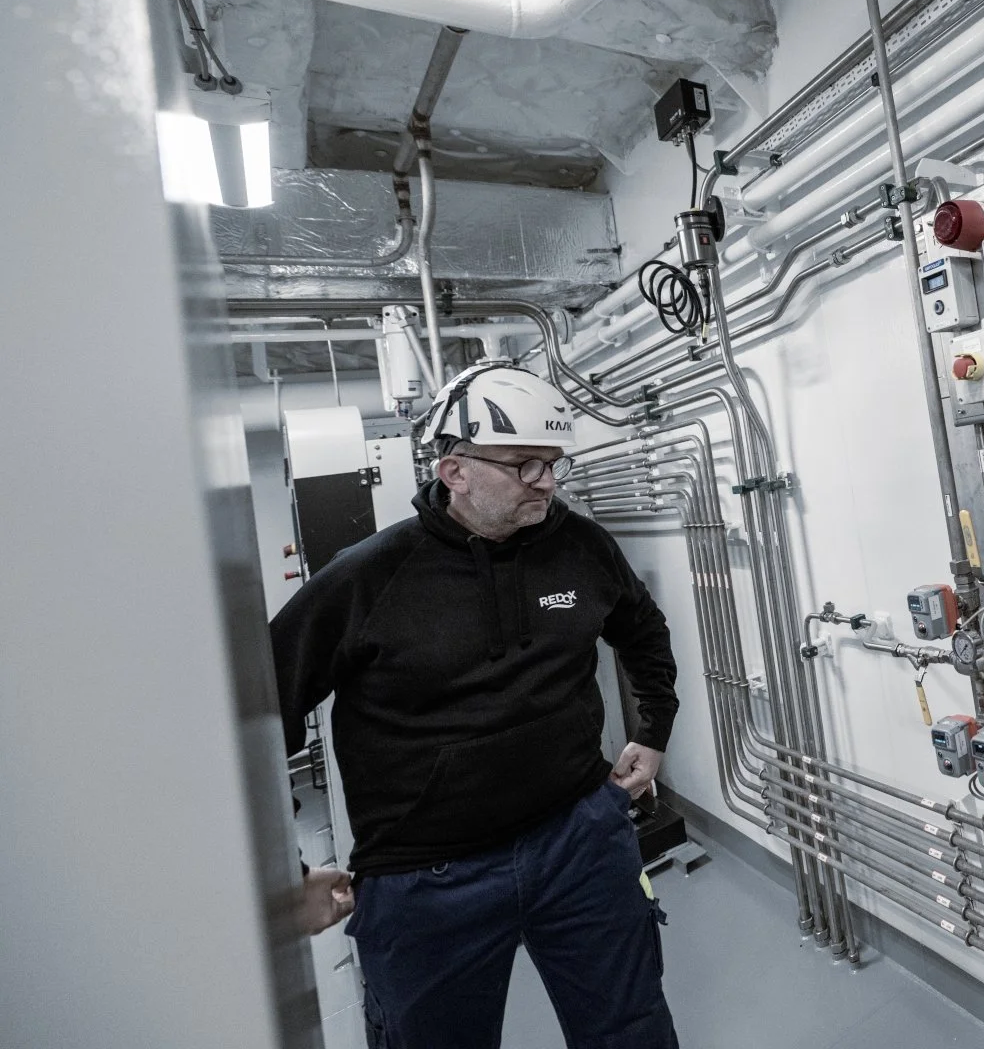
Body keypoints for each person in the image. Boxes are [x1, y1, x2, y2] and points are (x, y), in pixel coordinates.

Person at [272, 361, 680, 1048]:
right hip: (427, 880)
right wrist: (288, 876)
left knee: (631, 1030)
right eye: (525, 466)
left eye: (553, 463)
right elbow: (252, 727)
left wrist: (655, 727)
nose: (547, 482)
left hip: (581, 840)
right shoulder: (366, 578)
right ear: (454, 470)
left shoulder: (581, 545)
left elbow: (642, 629)